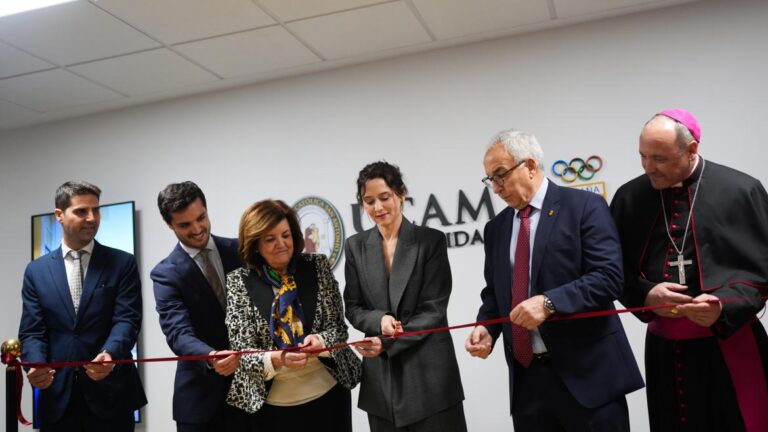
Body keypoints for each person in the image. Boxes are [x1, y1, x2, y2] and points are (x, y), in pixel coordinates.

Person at [465, 130, 644, 431]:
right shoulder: (496, 228)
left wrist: (550, 303)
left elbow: (609, 278)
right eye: (490, 179)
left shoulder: (584, 206)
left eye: (500, 175)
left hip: (588, 378)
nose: (495, 188)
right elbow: (495, 292)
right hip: (529, 385)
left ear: (530, 165)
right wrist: (487, 327)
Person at [610, 109, 768, 431]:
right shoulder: (629, 198)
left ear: (691, 150)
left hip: (731, 343)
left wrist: (722, 306)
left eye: (659, 158)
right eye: (643, 157)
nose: (648, 168)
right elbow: (613, 271)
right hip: (665, 352)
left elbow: (762, 270)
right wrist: (646, 294)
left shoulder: (742, 190)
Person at [344, 161, 467, 432]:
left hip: (430, 379)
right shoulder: (355, 246)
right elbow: (352, 306)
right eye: (369, 201)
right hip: (381, 386)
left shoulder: (430, 241)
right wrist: (379, 320)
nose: (378, 207)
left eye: (384, 197)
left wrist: (388, 342)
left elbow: (433, 310)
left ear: (402, 194)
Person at [18, 181, 147, 431]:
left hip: (112, 394)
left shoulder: (123, 263)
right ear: (59, 215)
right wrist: (36, 364)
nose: (91, 218)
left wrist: (110, 353)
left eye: (96, 210)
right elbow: (32, 330)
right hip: (57, 398)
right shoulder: (36, 271)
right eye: (81, 211)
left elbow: (128, 320)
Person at [224, 199, 360, 431]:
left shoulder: (317, 266)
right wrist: (277, 358)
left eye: (286, 235)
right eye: (270, 239)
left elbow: (339, 329)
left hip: (330, 396)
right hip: (272, 409)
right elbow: (242, 351)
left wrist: (321, 341)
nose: (281, 244)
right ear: (255, 244)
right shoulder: (239, 282)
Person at [151, 181, 248, 431]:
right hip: (201, 402)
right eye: (185, 225)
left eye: (201, 218)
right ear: (169, 224)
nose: (197, 229)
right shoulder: (165, 274)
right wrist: (210, 356)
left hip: (252, 394)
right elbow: (178, 333)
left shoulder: (241, 251)